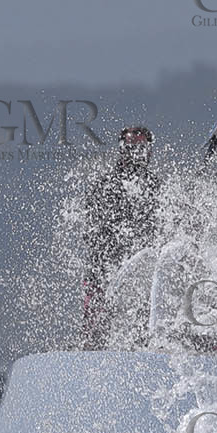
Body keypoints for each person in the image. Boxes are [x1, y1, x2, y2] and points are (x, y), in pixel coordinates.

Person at [80, 125, 163, 347]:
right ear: (122, 150)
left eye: (141, 148)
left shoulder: (156, 187)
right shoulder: (105, 184)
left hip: (140, 275)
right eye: (130, 147)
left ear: (149, 151)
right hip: (103, 272)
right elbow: (92, 230)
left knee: (141, 330)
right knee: (95, 336)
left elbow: (162, 226)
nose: (136, 153)